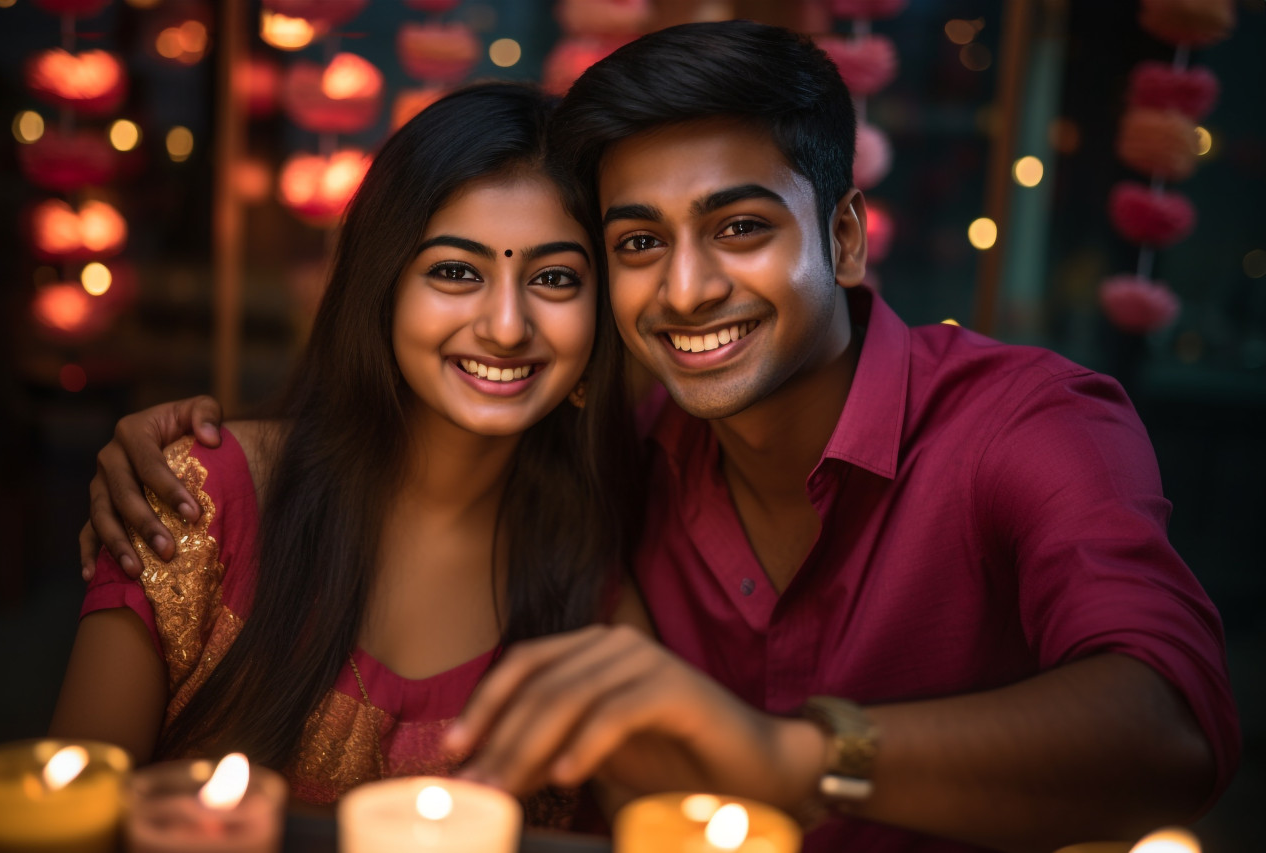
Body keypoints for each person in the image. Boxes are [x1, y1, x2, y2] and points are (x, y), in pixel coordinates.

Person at [78, 21, 1238, 853]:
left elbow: (1169, 726)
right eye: (635, 244)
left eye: (735, 227)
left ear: (840, 237)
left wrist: (792, 754)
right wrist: (171, 440)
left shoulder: (1020, 427)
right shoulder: (626, 463)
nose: (683, 291)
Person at [51, 82, 646, 827]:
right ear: (382, 285)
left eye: (555, 278)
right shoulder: (198, 497)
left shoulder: (588, 587)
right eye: (456, 271)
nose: (505, 325)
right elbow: (64, 820)